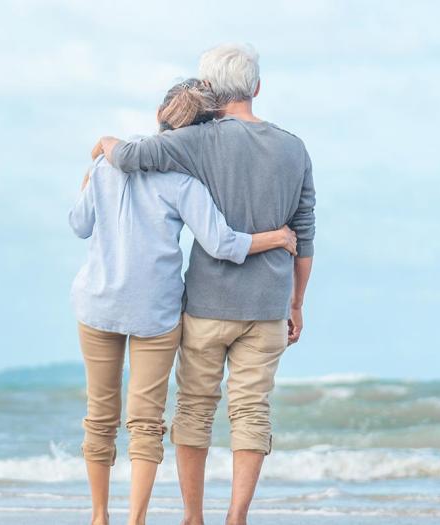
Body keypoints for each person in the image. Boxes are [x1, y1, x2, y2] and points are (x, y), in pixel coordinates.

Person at [90, 43, 316, 525]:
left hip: (210, 302)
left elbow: (130, 157)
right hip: (270, 303)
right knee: (252, 412)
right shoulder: (294, 147)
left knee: (194, 409)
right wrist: (297, 304)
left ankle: (193, 517)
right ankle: (236, 517)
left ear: (210, 92)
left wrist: (105, 142)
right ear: (257, 87)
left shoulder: (198, 140)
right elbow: (306, 230)